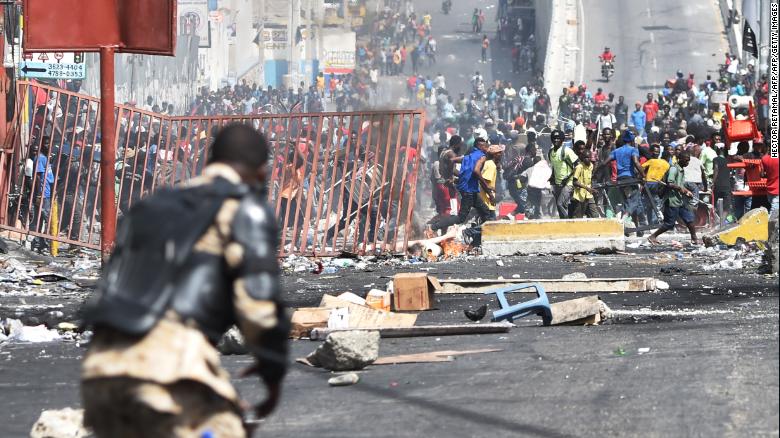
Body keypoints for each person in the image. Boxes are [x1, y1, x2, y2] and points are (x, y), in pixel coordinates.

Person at [81, 124, 290, 438]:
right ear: (261, 172)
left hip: (99, 373)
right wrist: (272, 372)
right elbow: (260, 307)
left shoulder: (150, 206)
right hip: (169, 372)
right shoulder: (242, 208)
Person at [429, 138, 493, 233]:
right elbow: (476, 171)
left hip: (469, 189)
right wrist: (487, 188)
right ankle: (433, 227)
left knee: (485, 212)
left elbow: (452, 160)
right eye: (485, 146)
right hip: (469, 190)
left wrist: (450, 176)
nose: (487, 148)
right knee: (460, 218)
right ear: (480, 147)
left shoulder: (470, 155)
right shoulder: (481, 156)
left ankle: (480, 236)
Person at [648, 151, 699, 245]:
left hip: (680, 200)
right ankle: (653, 236)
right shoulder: (674, 169)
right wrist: (681, 189)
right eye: (686, 160)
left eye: (689, 161)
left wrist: (686, 191)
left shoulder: (681, 170)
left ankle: (695, 239)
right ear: (681, 159)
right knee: (669, 224)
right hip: (672, 200)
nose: (687, 163)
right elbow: (670, 183)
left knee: (689, 220)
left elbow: (679, 184)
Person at [548, 129, 578, 219]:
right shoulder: (550, 152)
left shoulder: (567, 150)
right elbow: (554, 166)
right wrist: (552, 177)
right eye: (554, 138)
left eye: (558, 138)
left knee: (560, 203)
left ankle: (567, 223)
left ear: (562, 139)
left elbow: (577, 165)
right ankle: (563, 223)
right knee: (561, 206)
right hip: (557, 183)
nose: (556, 140)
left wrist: (569, 177)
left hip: (568, 183)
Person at [641, 143, 670, 223]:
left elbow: (640, 168)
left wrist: (642, 177)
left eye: (657, 152)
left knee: (649, 204)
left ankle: (651, 222)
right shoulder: (667, 164)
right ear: (650, 152)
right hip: (658, 185)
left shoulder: (651, 161)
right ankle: (653, 222)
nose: (656, 153)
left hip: (650, 184)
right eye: (655, 151)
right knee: (655, 204)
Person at [570, 150, 599, 218]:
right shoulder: (579, 167)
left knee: (595, 214)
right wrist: (587, 188)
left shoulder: (591, 166)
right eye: (585, 158)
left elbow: (590, 179)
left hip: (589, 194)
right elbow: (574, 182)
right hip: (580, 195)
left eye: (588, 157)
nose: (587, 159)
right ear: (582, 158)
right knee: (579, 216)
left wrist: (593, 189)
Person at [480, 144, 505, 219]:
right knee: (490, 224)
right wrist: (491, 196)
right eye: (499, 153)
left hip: (485, 200)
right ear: (494, 155)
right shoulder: (491, 165)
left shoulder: (489, 163)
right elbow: (484, 183)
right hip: (487, 201)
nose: (501, 154)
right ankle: (468, 231)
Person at [712, 145, 733, 221]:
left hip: (717, 186)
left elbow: (716, 169)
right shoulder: (728, 160)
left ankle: (715, 221)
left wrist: (713, 183)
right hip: (726, 186)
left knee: (712, 205)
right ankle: (722, 222)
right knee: (726, 207)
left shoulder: (715, 159)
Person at [761, 152, 779, 217]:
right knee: (774, 215)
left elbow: (762, 174)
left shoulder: (764, 158)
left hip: (770, 189)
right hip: (777, 191)